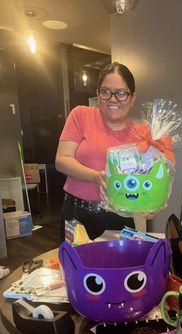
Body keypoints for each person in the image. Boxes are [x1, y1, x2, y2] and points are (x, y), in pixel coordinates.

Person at [55, 62, 138, 240]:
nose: (113, 99)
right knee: (75, 267)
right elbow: (62, 160)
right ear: (98, 94)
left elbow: (144, 178)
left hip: (118, 217)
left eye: (122, 93)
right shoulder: (81, 115)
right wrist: (96, 177)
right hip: (77, 215)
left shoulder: (140, 133)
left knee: (120, 267)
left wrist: (152, 203)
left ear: (132, 98)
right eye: (106, 92)